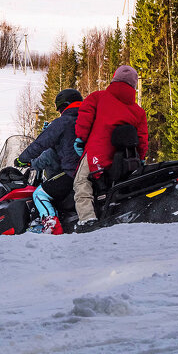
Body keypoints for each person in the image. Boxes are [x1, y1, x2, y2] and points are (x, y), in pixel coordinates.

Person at [72, 66, 148, 233]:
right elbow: (142, 138)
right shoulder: (139, 111)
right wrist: (141, 157)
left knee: (81, 181)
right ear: (134, 85)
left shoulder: (98, 97)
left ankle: (87, 219)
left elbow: (84, 118)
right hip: (125, 159)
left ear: (114, 79)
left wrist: (80, 139)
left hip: (97, 151)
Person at [14, 88, 83, 235]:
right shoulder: (87, 120)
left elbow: (40, 144)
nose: (60, 113)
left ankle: (51, 225)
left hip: (72, 172)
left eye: (60, 109)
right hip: (88, 169)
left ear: (65, 106)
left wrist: (22, 159)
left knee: (40, 193)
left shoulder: (63, 121)